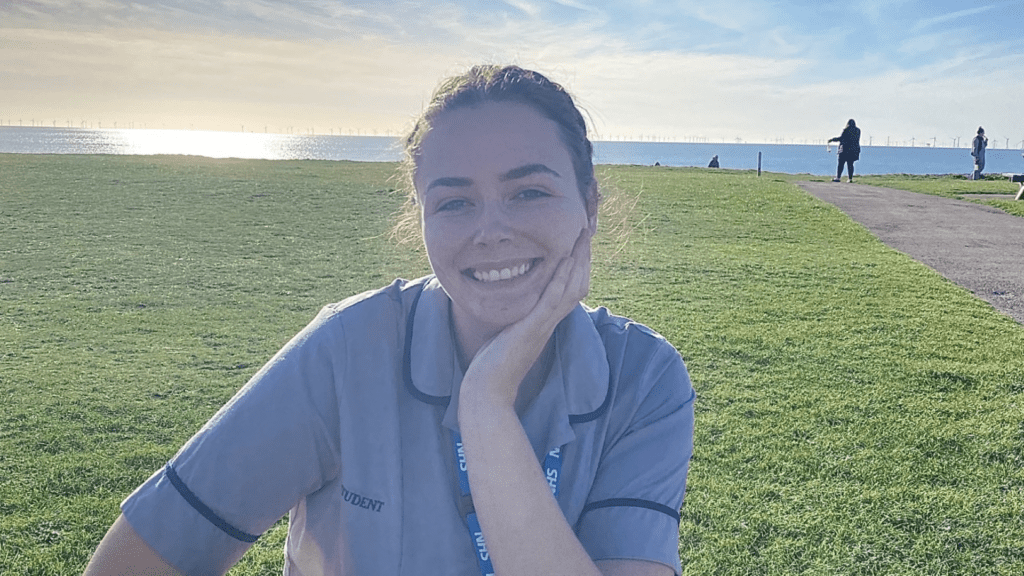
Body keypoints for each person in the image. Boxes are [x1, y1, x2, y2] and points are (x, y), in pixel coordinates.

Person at [83, 65, 696, 576]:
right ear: (420, 218)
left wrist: (485, 401)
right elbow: (135, 559)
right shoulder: (347, 350)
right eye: (454, 202)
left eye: (528, 192)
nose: (491, 232)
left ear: (589, 206)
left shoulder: (643, 377)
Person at [828, 119, 861, 183]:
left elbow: (841, 138)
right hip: (854, 150)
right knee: (850, 164)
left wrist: (832, 139)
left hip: (845, 149)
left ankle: (838, 177)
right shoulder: (858, 130)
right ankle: (850, 178)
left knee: (841, 164)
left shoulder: (846, 130)